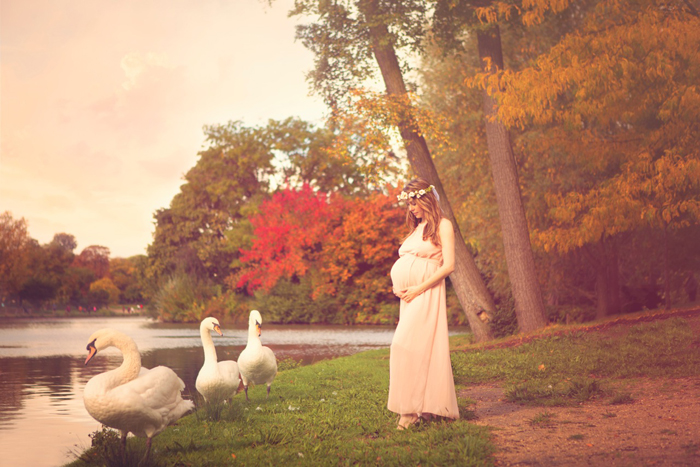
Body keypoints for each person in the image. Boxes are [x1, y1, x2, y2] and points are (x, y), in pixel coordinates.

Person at [388, 178, 460, 430]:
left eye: (414, 201)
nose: (411, 208)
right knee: (415, 348)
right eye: (408, 203)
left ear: (426, 199)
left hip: (426, 292)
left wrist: (418, 287)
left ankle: (408, 414)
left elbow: (449, 265)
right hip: (410, 298)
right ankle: (422, 408)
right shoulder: (417, 229)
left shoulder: (444, 225)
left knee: (402, 346)